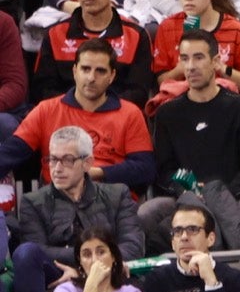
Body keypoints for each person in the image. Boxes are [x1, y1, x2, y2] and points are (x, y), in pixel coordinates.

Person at [144, 29, 240, 262]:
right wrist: (189, 192)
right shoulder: (168, 112)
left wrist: (222, 194)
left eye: (198, 57)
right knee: (147, 213)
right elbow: (164, 168)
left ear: (216, 61)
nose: (190, 66)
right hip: (183, 198)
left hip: (233, 196)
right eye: (185, 59)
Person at [14, 125, 142, 292]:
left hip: (109, 272)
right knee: (25, 253)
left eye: (67, 160)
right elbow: (39, 250)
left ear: (87, 163)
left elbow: (133, 246)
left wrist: (86, 270)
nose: (57, 169)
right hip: (58, 273)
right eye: (52, 159)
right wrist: (84, 265)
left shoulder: (117, 194)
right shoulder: (33, 202)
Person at [1, 38, 153, 191]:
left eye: (100, 71)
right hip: (57, 200)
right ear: (75, 71)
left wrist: (95, 173)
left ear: (112, 76)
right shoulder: (47, 110)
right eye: (85, 69)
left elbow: (145, 168)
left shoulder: (130, 113)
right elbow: (10, 152)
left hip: (111, 200)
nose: (91, 78)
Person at [33, 0, 153, 106]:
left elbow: (138, 93)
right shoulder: (54, 34)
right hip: (66, 117)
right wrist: (79, 109)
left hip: (116, 118)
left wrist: (98, 109)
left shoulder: (136, 35)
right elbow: (43, 90)